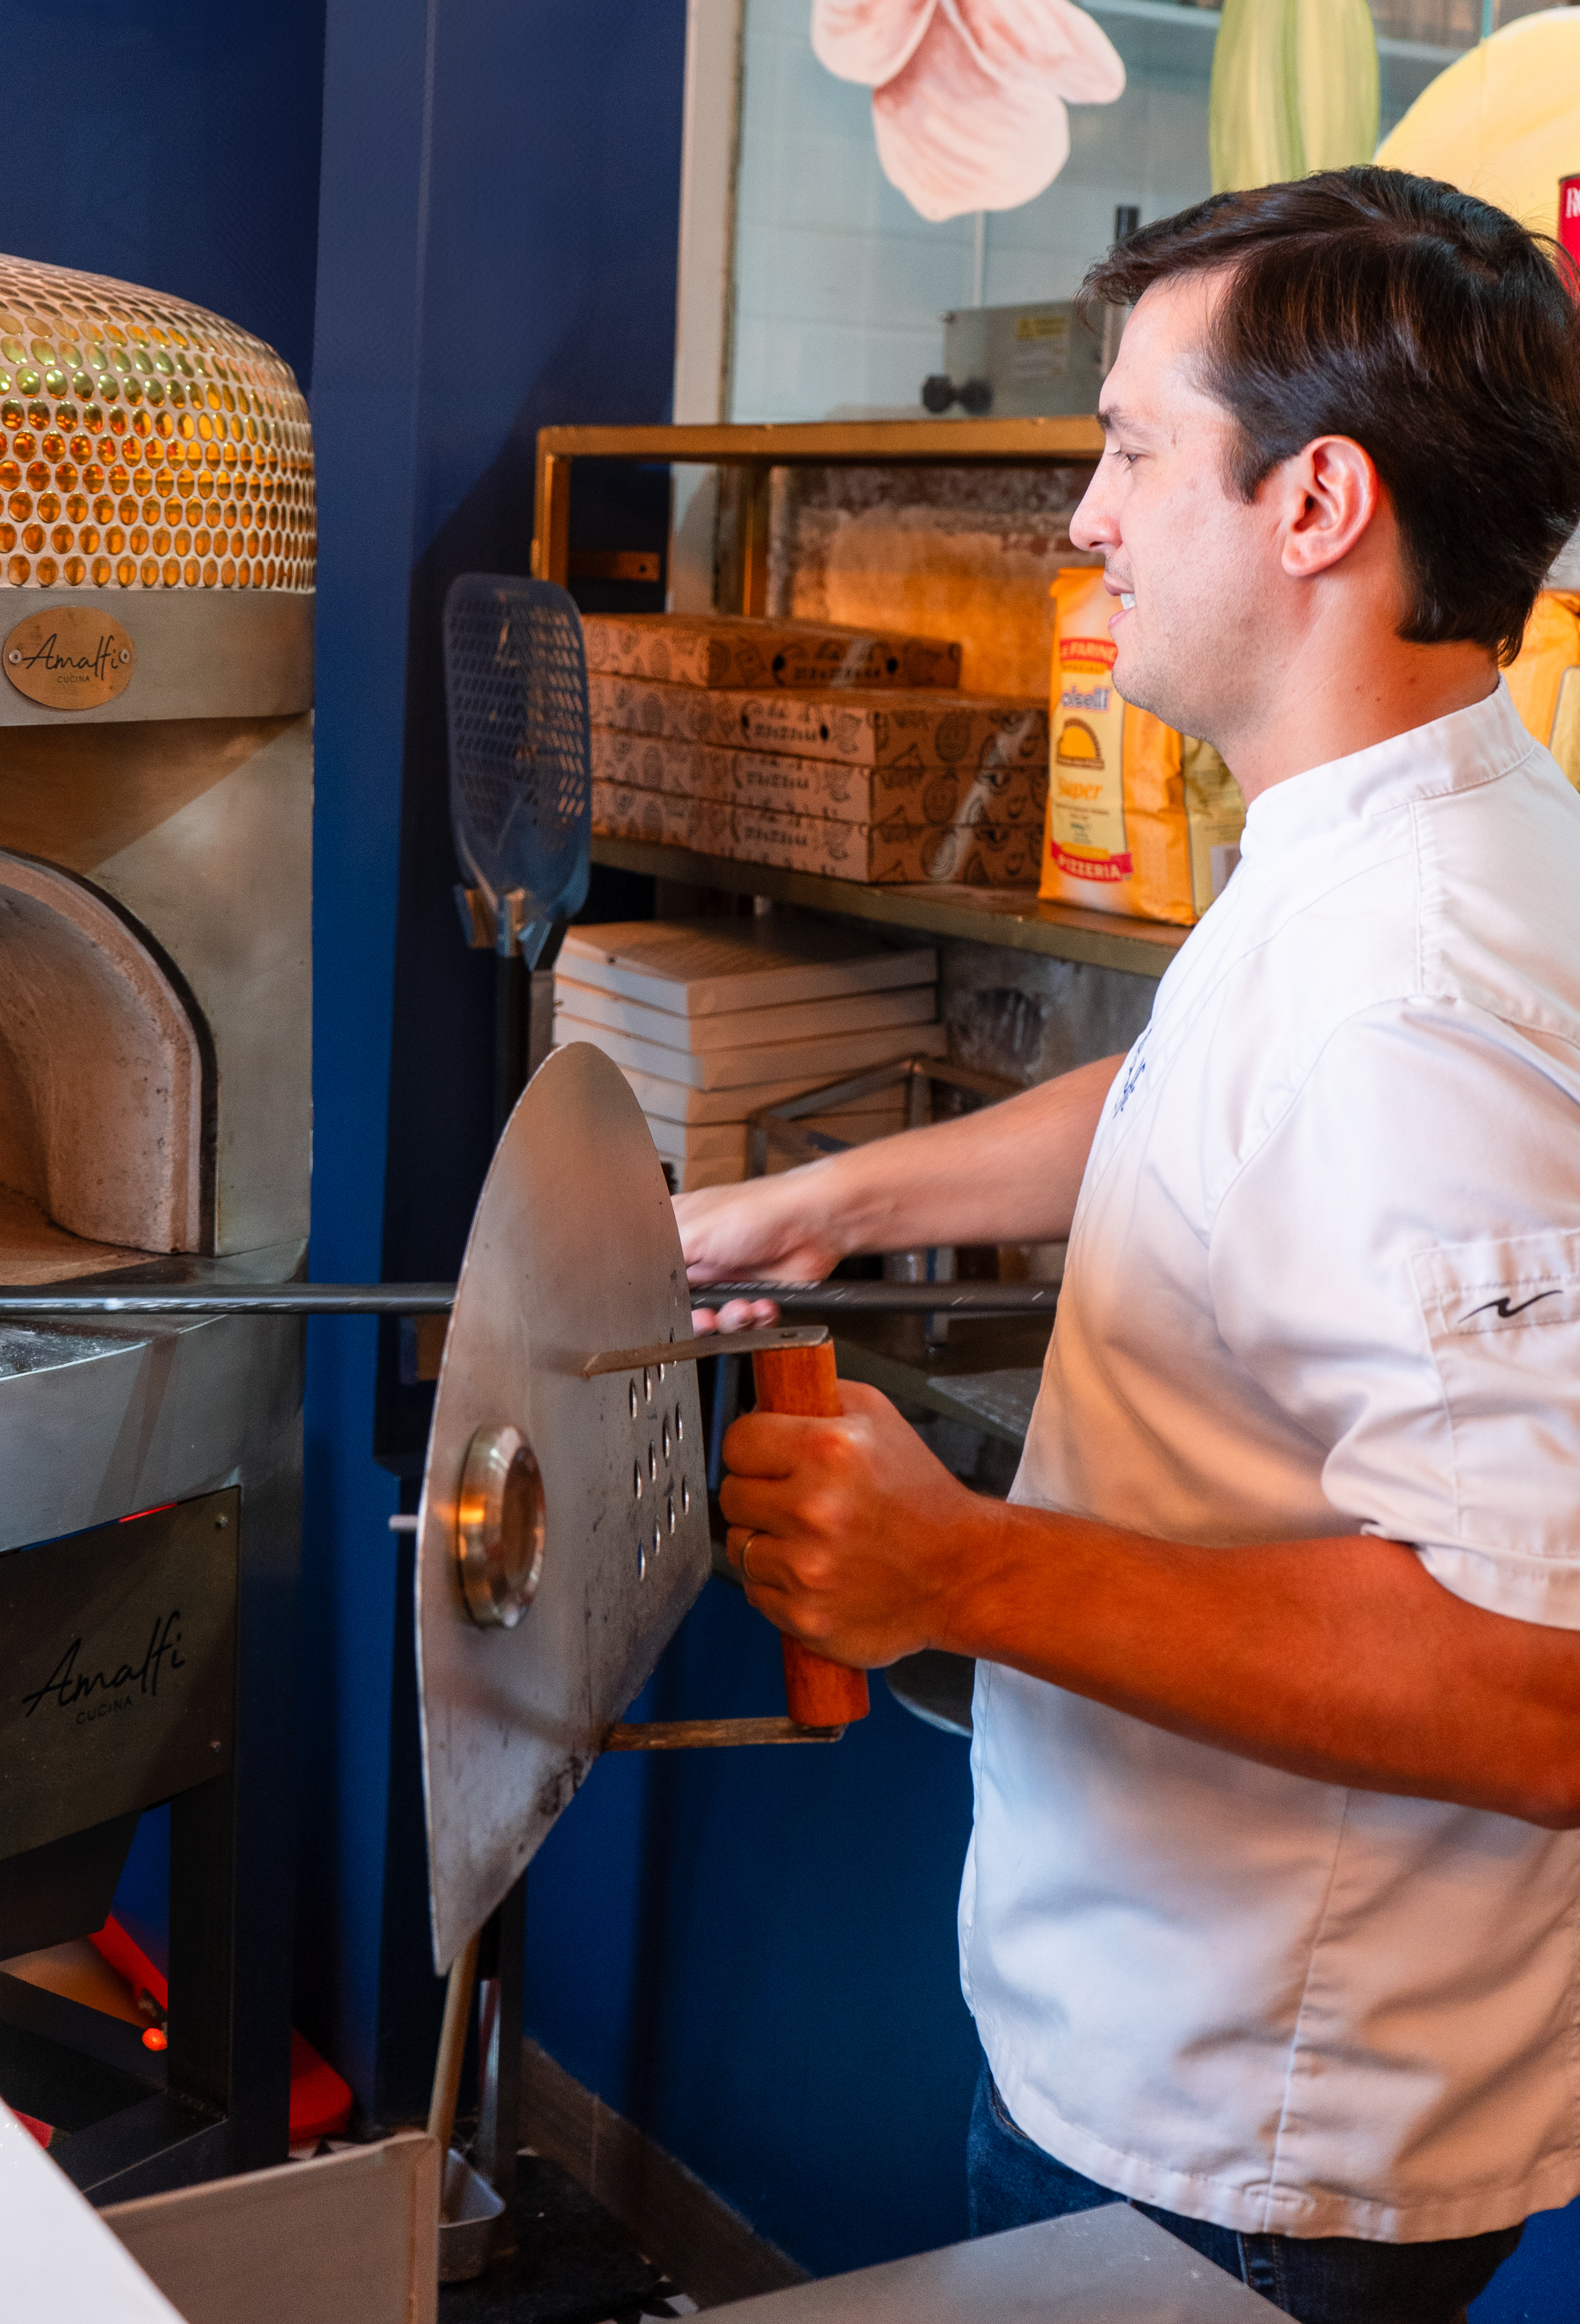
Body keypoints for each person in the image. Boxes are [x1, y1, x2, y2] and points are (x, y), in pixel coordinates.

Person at [678, 168, 1580, 2324]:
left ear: (1315, 505)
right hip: (1189, 2018)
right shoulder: (1411, 825)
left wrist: (955, 1572)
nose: (1083, 516)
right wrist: (823, 1199)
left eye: (1129, 449)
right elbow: (1199, 1101)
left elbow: (1541, 1687)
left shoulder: (1420, 988)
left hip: (1261, 2128)